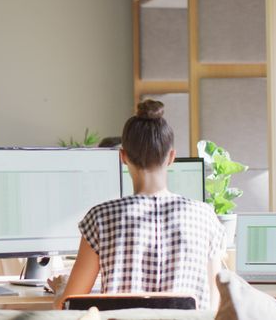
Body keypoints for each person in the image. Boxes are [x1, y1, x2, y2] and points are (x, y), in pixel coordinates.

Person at [49, 100, 225, 311]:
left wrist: (61, 288)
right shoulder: (205, 217)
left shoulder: (100, 218)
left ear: (123, 157)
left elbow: (68, 306)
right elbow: (216, 305)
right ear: (171, 157)